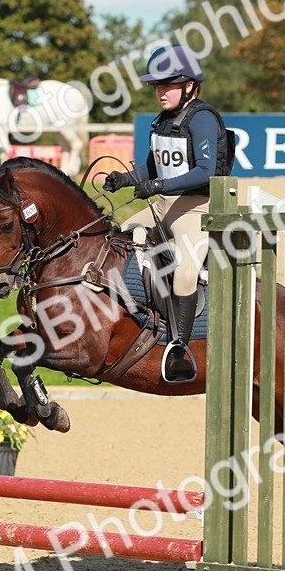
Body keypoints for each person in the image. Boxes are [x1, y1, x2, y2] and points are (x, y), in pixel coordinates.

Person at [101, 45, 234, 383]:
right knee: (119, 238)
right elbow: (151, 165)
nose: (160, 92)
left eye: (168, 85)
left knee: (186, 272)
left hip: (197, 208)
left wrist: (157, 183)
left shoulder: (203, 117)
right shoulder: (163, 120)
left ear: (190, 85)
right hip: (164, 205)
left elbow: (207, 171)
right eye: (157, 86)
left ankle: (179, 347)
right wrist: (127, 179)